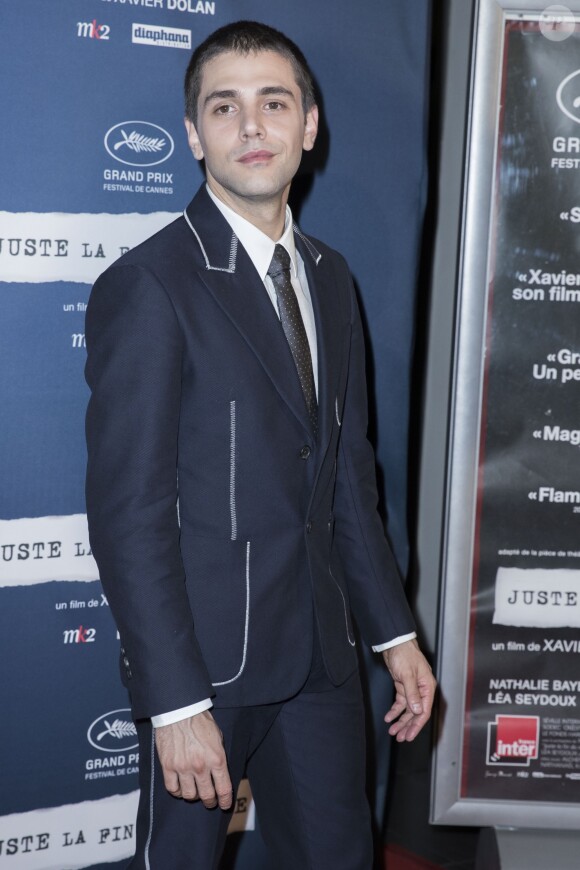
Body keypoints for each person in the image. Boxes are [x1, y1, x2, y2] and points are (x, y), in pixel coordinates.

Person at [85, 20, 436, 870]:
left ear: (308, 126)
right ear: (193, 135)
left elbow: (348, 474)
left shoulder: (330, 275)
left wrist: (393, 634)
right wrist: (173, 705)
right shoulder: (150, 284)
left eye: (274, 103)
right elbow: (129, 513)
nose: (252, 127)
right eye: (225, 107)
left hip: (322, 657)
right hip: (205, 669)